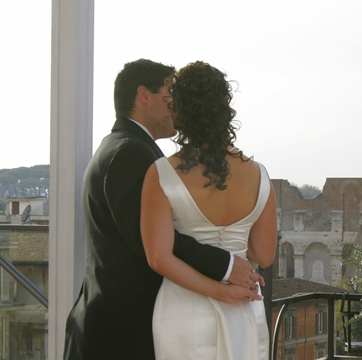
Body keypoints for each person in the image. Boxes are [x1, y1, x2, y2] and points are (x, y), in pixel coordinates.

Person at [63, 59, 264, 360]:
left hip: (118, 323)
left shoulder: (126, 147)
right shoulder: (130, 154)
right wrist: (225, 264)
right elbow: (153, 241)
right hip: (123, 331)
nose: (175, 107)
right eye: (169, 97)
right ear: (144, 95)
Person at [141, 61, 277, 360]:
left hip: (184, 306)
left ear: (179, 110)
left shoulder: (161, 173)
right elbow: (264, 255)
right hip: (243, 303)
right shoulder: (259, 174)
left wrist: (217, 290)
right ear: (225, 110)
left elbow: (158, 257)